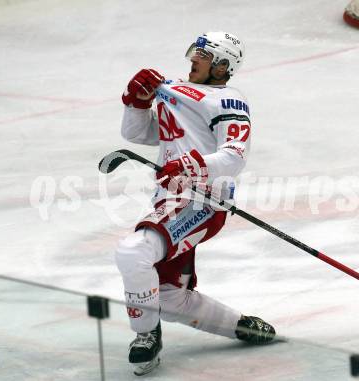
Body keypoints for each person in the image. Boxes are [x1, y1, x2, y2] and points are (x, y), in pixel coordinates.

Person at [115, 31, 276, 376]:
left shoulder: (229, 100)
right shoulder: (177, 92)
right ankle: (239, 325)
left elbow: (234, 157)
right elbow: (137, 134)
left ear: (222, 66)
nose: (193, 59)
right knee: (168, 297)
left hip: (202, 201)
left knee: (133, 253)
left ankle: (146, 335)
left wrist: (190, 166)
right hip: (170, 199)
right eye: (195, 52)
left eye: (202, 55)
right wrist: (137, 101)